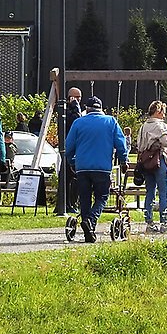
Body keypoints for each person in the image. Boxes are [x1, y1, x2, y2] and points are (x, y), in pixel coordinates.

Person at [64, 94, 129, 242]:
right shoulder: (111, 121)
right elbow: (120, 143)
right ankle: (91, 221)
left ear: (87, 108)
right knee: (102, 197)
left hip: (82, 168)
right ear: (101, 109)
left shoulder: (78, 123)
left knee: (85, 197)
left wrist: (72, 162)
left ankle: (88, 227)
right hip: (102, 167)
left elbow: (68, 147)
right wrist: (124, 161)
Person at [138, 100, 167, 233]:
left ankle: (149, 222)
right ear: (158, 112)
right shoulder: (160, 126)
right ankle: (164, 222)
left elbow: (140, 144)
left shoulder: (144, 126)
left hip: (146, 162)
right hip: (159, 159)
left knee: (150, 191)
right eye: (163, 113)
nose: (164, 116)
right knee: (163, 191)